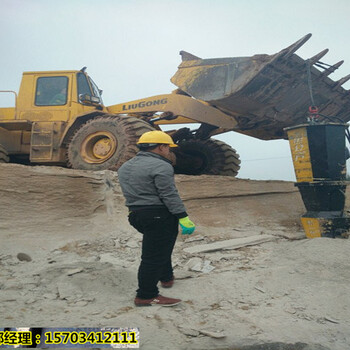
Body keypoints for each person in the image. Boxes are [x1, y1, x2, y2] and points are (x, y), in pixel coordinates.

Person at [117, 130, 196, 307]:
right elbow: (169, 195)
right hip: (158, 215)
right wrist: (183, 216)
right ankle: (146, 295)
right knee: (152, 257)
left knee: (160, 246)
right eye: (168, 147)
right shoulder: (162, 166)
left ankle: (166, 277)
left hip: (135, 214)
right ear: (161, 147)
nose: (169, 151)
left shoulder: (125, 166)